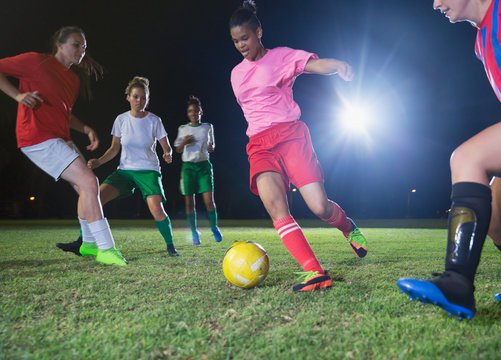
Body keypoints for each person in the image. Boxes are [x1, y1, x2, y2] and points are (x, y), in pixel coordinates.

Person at [397, 0, 501, 319]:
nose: (435, 4)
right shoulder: (481, 39)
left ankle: (457, 284)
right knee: (497, 219)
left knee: (467, 157)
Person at [229, 0, 368, 292]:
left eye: (246, 38)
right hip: (259, 145)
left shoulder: (281, 57)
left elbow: (312, 65)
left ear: (259, 32)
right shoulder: (236, 75)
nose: (241, 45)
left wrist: (338, 66)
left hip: (291, 136)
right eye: (236, 41)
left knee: (319, 206)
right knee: (276, 207)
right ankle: (315, 272)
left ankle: (348, 228)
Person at [0, 26, 127, 266]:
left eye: (84, 47)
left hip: (60, 138)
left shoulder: (72, 79)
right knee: (90, 182)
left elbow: (65, 114)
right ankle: (106, 248)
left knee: (85, 189)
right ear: (59, 45)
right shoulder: (35, 62)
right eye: (76, 45)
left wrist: (86, 129)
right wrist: (17, 96)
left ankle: (89, 244)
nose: (81, 51)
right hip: (36, 137)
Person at [57, 76, 179, 257]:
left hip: (148, 171)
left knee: (156, 209)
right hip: (124, 171)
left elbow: (166, 145)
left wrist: (167, 153)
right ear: (128, 97)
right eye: (136, 97)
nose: (140, 101)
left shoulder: (154, 120)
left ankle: (170, 246)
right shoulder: (121, 120)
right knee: (94, 198)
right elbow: (114, 149)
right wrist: (99, 161)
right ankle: (83, 242)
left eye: (143, 97)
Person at [174, 95, 222, 245]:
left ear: (201, 111)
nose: (193, 113)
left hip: (204, 167)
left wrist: (211, 147)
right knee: (190, 203)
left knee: (209, 201)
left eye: (196, 110)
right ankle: (194, 232)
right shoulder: (183, 129)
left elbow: (212, 146)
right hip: (188, 168)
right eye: (190, 111)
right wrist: (185, 142)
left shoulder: (208, 127)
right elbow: (177, 149)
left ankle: (214, 227)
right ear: (188, 113)